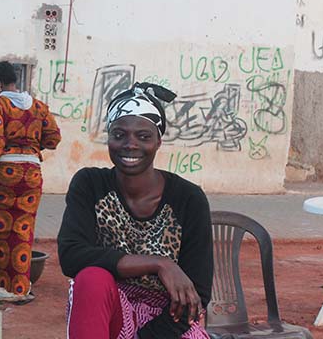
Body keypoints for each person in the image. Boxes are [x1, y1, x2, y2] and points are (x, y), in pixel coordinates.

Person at [57, 83, 213, 339]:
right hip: (109, 310)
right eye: (119, 134)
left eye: (143, 136)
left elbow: (198, 293)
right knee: (92, 278)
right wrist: (159, 264)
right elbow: (71, 255)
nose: (130, 144)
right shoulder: (90, 184)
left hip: (168, 322)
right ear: (109, 137)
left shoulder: (188, 199)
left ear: (158, 141)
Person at [0, 61, 61, 296]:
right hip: (32, 174)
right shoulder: (39, 106)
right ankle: (19, 287)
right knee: (22, 230)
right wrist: (30, 147)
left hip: (3, 174)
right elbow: (53, 138)